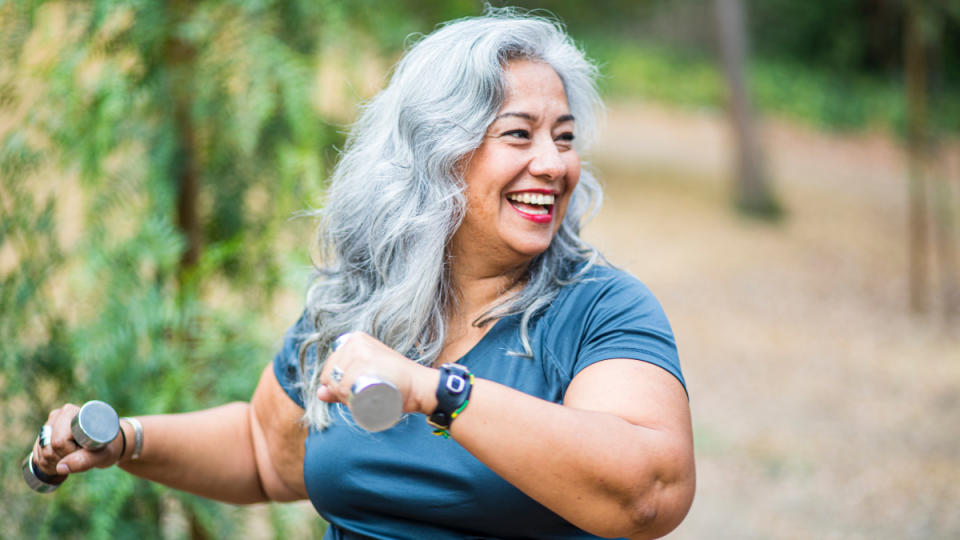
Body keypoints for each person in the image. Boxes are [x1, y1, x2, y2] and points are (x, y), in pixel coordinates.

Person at [32, 8, 695, 539]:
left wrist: (437, 392)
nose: (554, 164)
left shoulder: (602, 311)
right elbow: (266, 450)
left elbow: (648, 494)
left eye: (565, 137)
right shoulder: (363, 298)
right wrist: (127, 441)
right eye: (519, 135)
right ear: (438, 153)